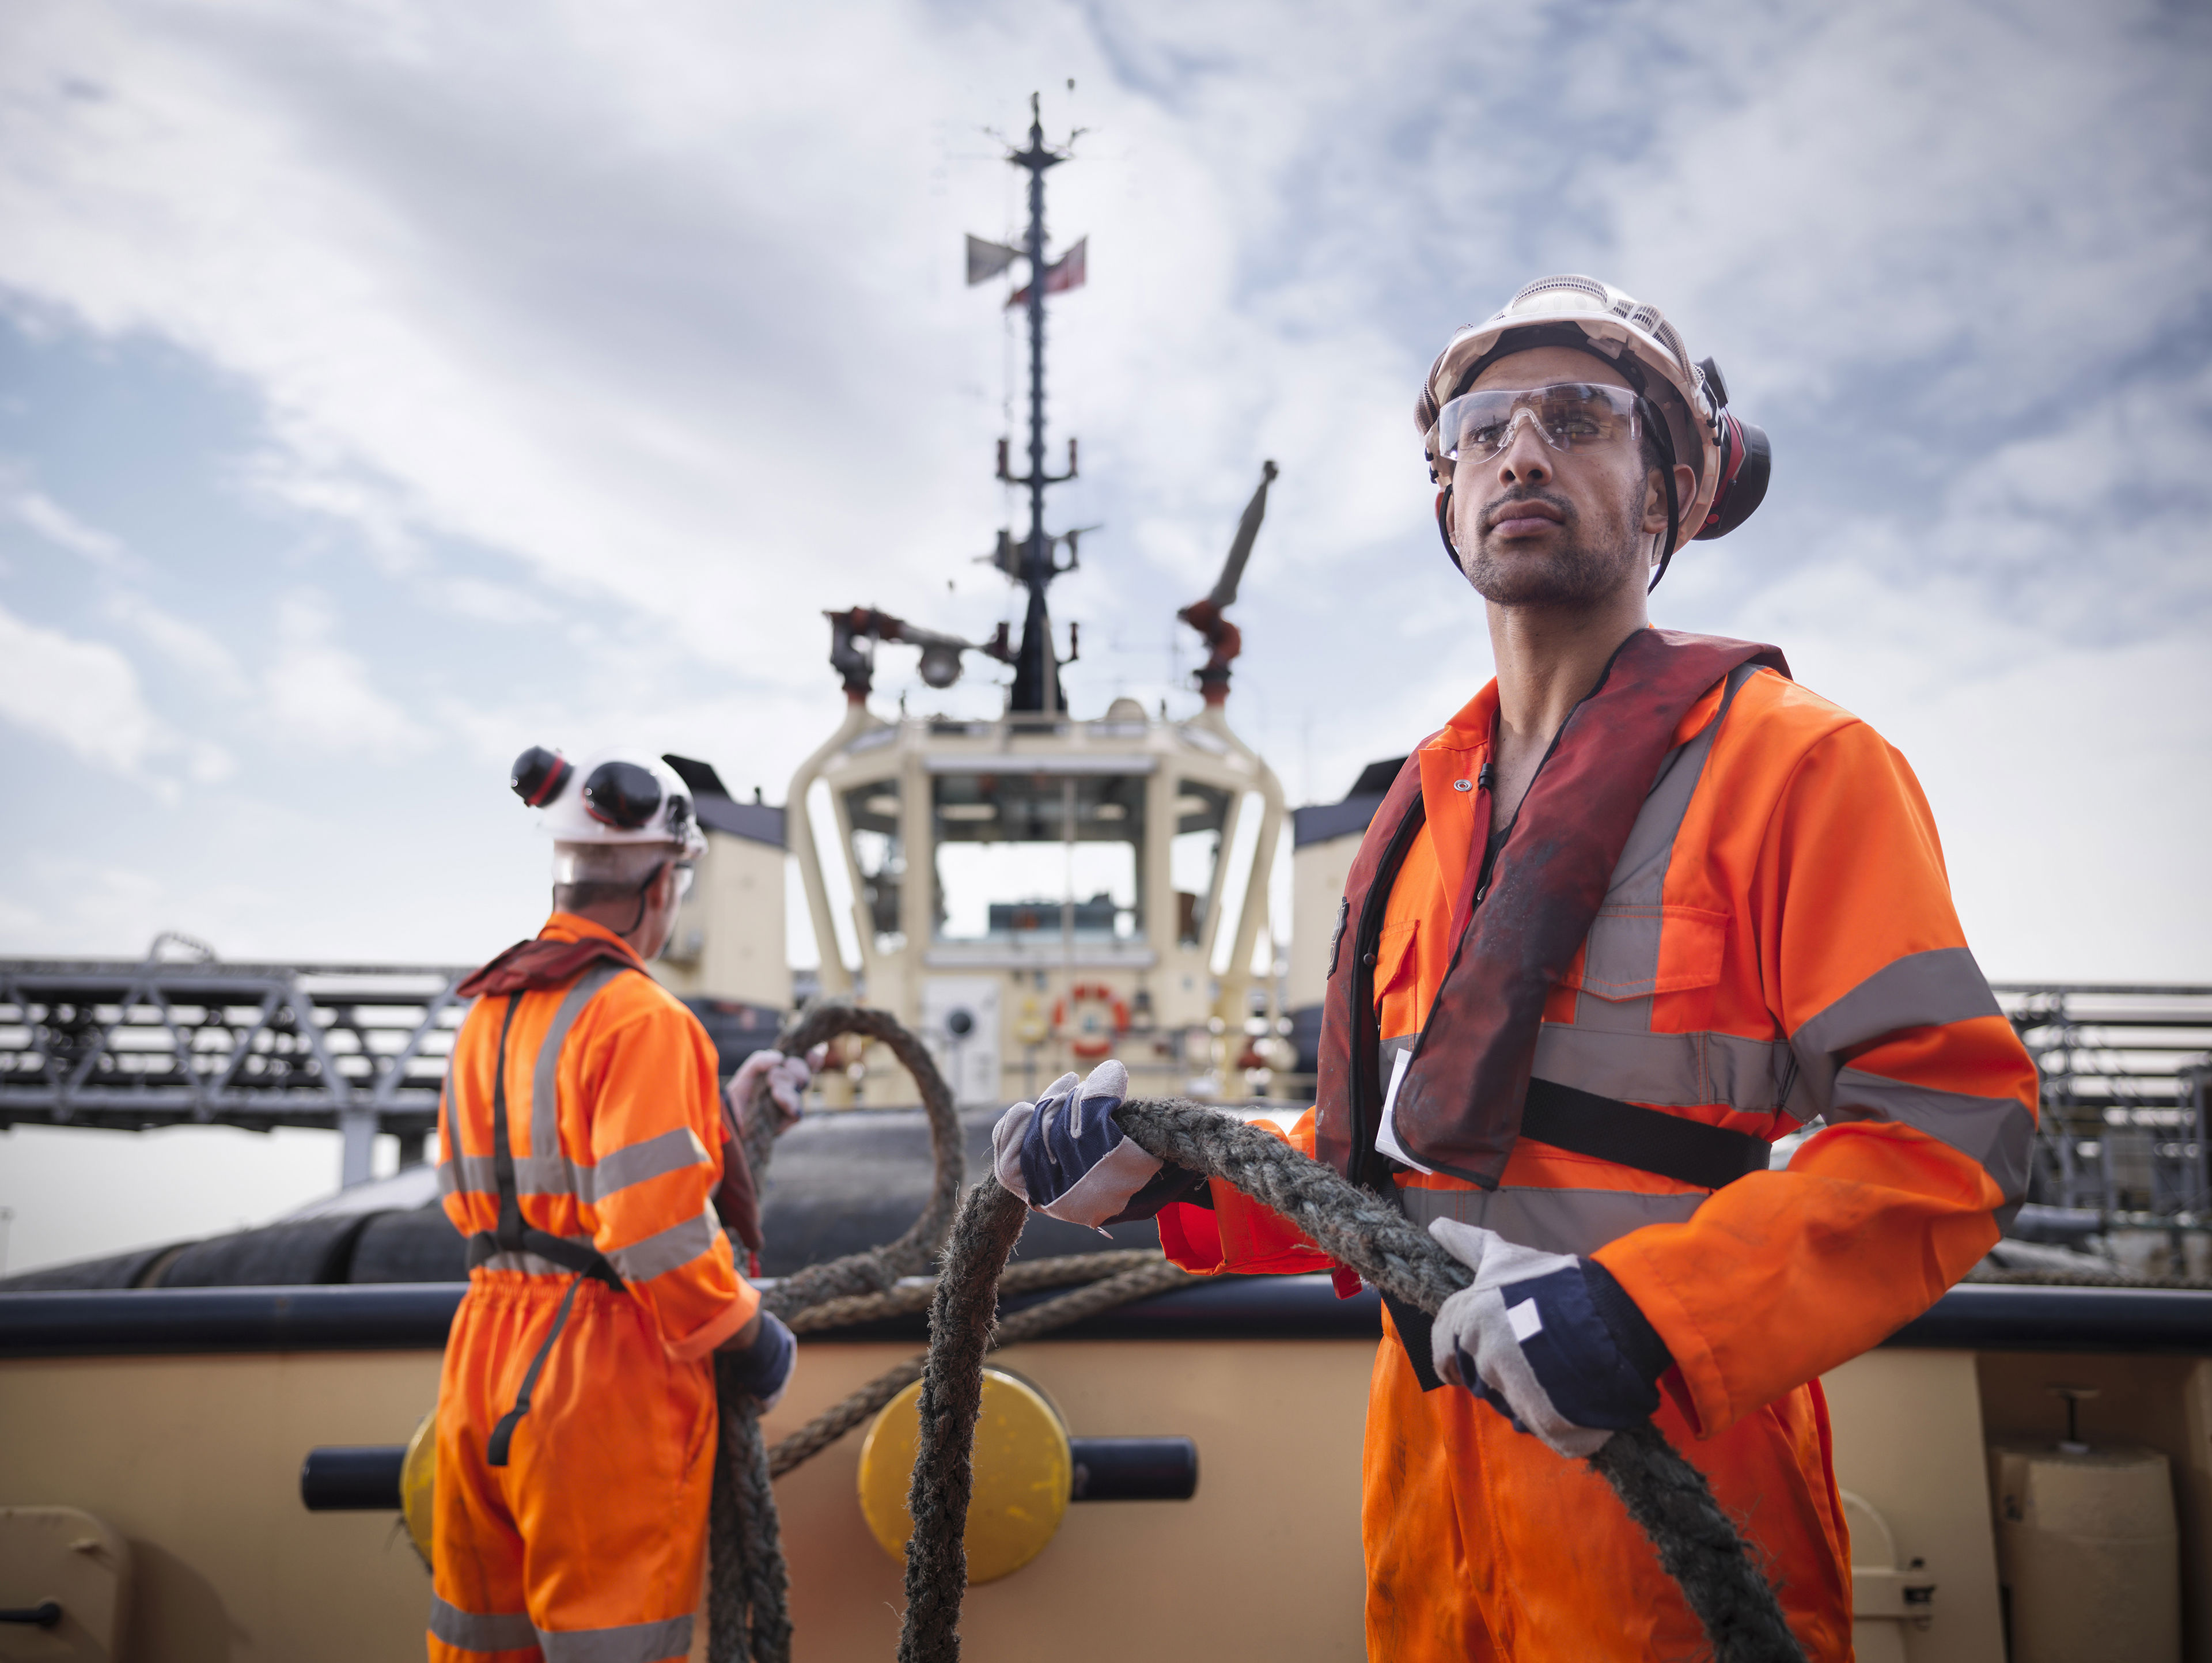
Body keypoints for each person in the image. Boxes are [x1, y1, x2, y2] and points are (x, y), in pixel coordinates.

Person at [993, 276, 2039, 1660]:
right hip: (1431, 1545)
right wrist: (1180, 1172)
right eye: (1483, 429)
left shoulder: (1798, 770)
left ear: (1669, 489)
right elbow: (1400, 1153)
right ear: (1445, 497)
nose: (1521, 453)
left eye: (1580, 418)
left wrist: (1658, 1316)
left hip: (1667, 1540)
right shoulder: (1423, 817)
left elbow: (1954, 1132)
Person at [429, 747, 812, 1663]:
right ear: (658, 883)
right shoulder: (648, 1020)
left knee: (480, 1647)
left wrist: (725, 1108)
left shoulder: (490, 1014)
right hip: (600, 1382)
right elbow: (653, 1233)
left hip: (480, 1362)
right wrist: (751, 1339)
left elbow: (502, 1182)